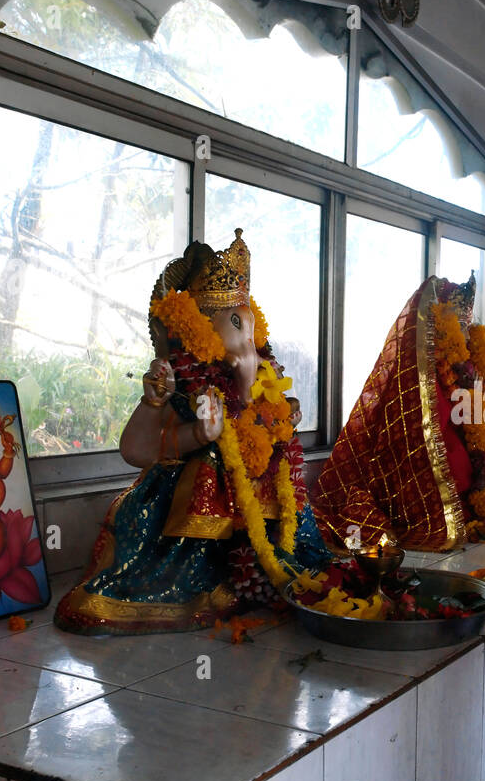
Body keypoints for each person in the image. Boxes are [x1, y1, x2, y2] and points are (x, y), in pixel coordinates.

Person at [55, 230, 331, 635]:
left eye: (249, 323)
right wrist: (196, 432)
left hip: (262, 504)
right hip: (185, 513)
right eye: (235, 323)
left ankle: (269, 568)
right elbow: (137, 449)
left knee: (285, 500)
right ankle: (215, 580)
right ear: (198, 329)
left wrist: (274, 412)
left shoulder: (262, 374)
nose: (248, 338)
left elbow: (265, 429)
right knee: (208, 465)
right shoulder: (180, 380)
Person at [312, 276, 485, 551]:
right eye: (459, 327)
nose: (466, 336)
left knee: (476, 465)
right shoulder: (418, 373)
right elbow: (421, 429)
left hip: (456, 455)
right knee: (457, 467)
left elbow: (475, 418)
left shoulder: (462, 371)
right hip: (411, 460)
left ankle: (481, 499)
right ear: (441, 328)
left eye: (467, 327)